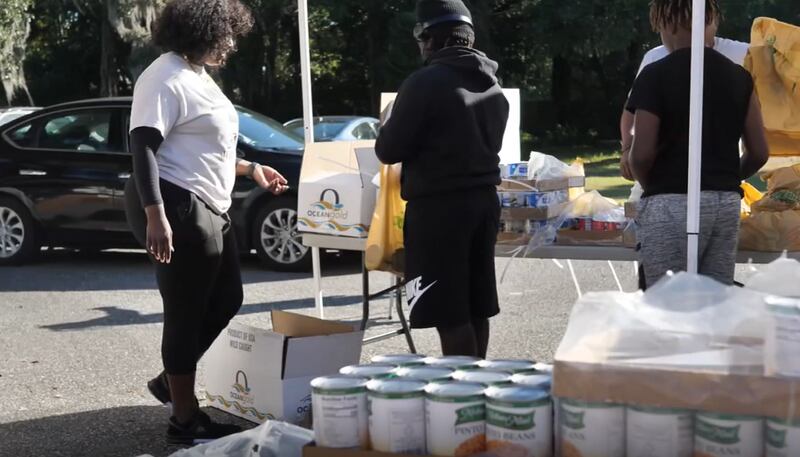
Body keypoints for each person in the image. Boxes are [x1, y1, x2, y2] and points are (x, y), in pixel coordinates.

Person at [123, 0, 289, 444]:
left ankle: (170, 380)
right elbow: (143, 147)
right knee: (186, 310)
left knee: (228, 298)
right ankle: (183, 418)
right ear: (200, 33)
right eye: (226, 35)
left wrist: (251, 168)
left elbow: (203, 148)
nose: (231, 44)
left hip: (207, 202)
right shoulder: (164, 76)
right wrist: (156, 214)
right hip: (175, 203)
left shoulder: (197, 75)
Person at [375, 0, 510, 358]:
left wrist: (387, 122)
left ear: (433, 38)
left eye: (421, 38)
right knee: (476, 307)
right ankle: (478, 382)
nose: (420, 47)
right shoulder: (492, 83)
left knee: (449, 314)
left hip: (439, 208)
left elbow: (388, 149)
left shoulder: (425, 82)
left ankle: (460, 387)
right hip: (483, 202)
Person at [627, 0, 769, 287]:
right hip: (725, 203)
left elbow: (640, 155)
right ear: (709, 22)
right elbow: (759, 152)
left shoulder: (654, 74)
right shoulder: (739, 77)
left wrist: (653, 187)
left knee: (666, 299)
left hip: (669, 199)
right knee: (714, 298)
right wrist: (725, 177)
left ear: (666, 25)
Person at [620, 15, 750, 181]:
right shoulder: (653, 59)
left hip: (714, 176)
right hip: (668, 175)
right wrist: (627, 147)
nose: (692, 28)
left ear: (715, 21)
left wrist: (729, 178)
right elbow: (631, 111)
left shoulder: (743, 54)